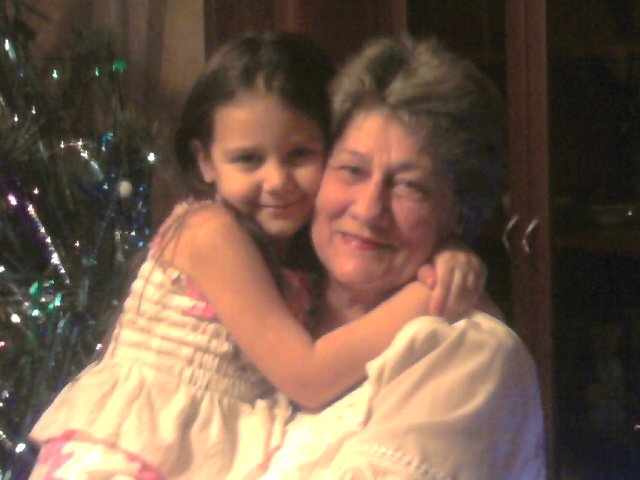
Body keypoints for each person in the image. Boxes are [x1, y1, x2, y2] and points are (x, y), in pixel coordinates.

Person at [27, 33, 487, 480]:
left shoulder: (296, 250)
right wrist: (429, 295)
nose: (277, 181)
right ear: (205, 162)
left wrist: (445, 250)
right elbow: (309, 377)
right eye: (248, 159)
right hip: (122, 461)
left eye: (299, 154)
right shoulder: (209, 233)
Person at [255, 37, 546, 479]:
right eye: (352, 170)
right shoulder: (272, 310)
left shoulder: (470, 355)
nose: (369, 209)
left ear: (459, 213)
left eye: (410, 186)